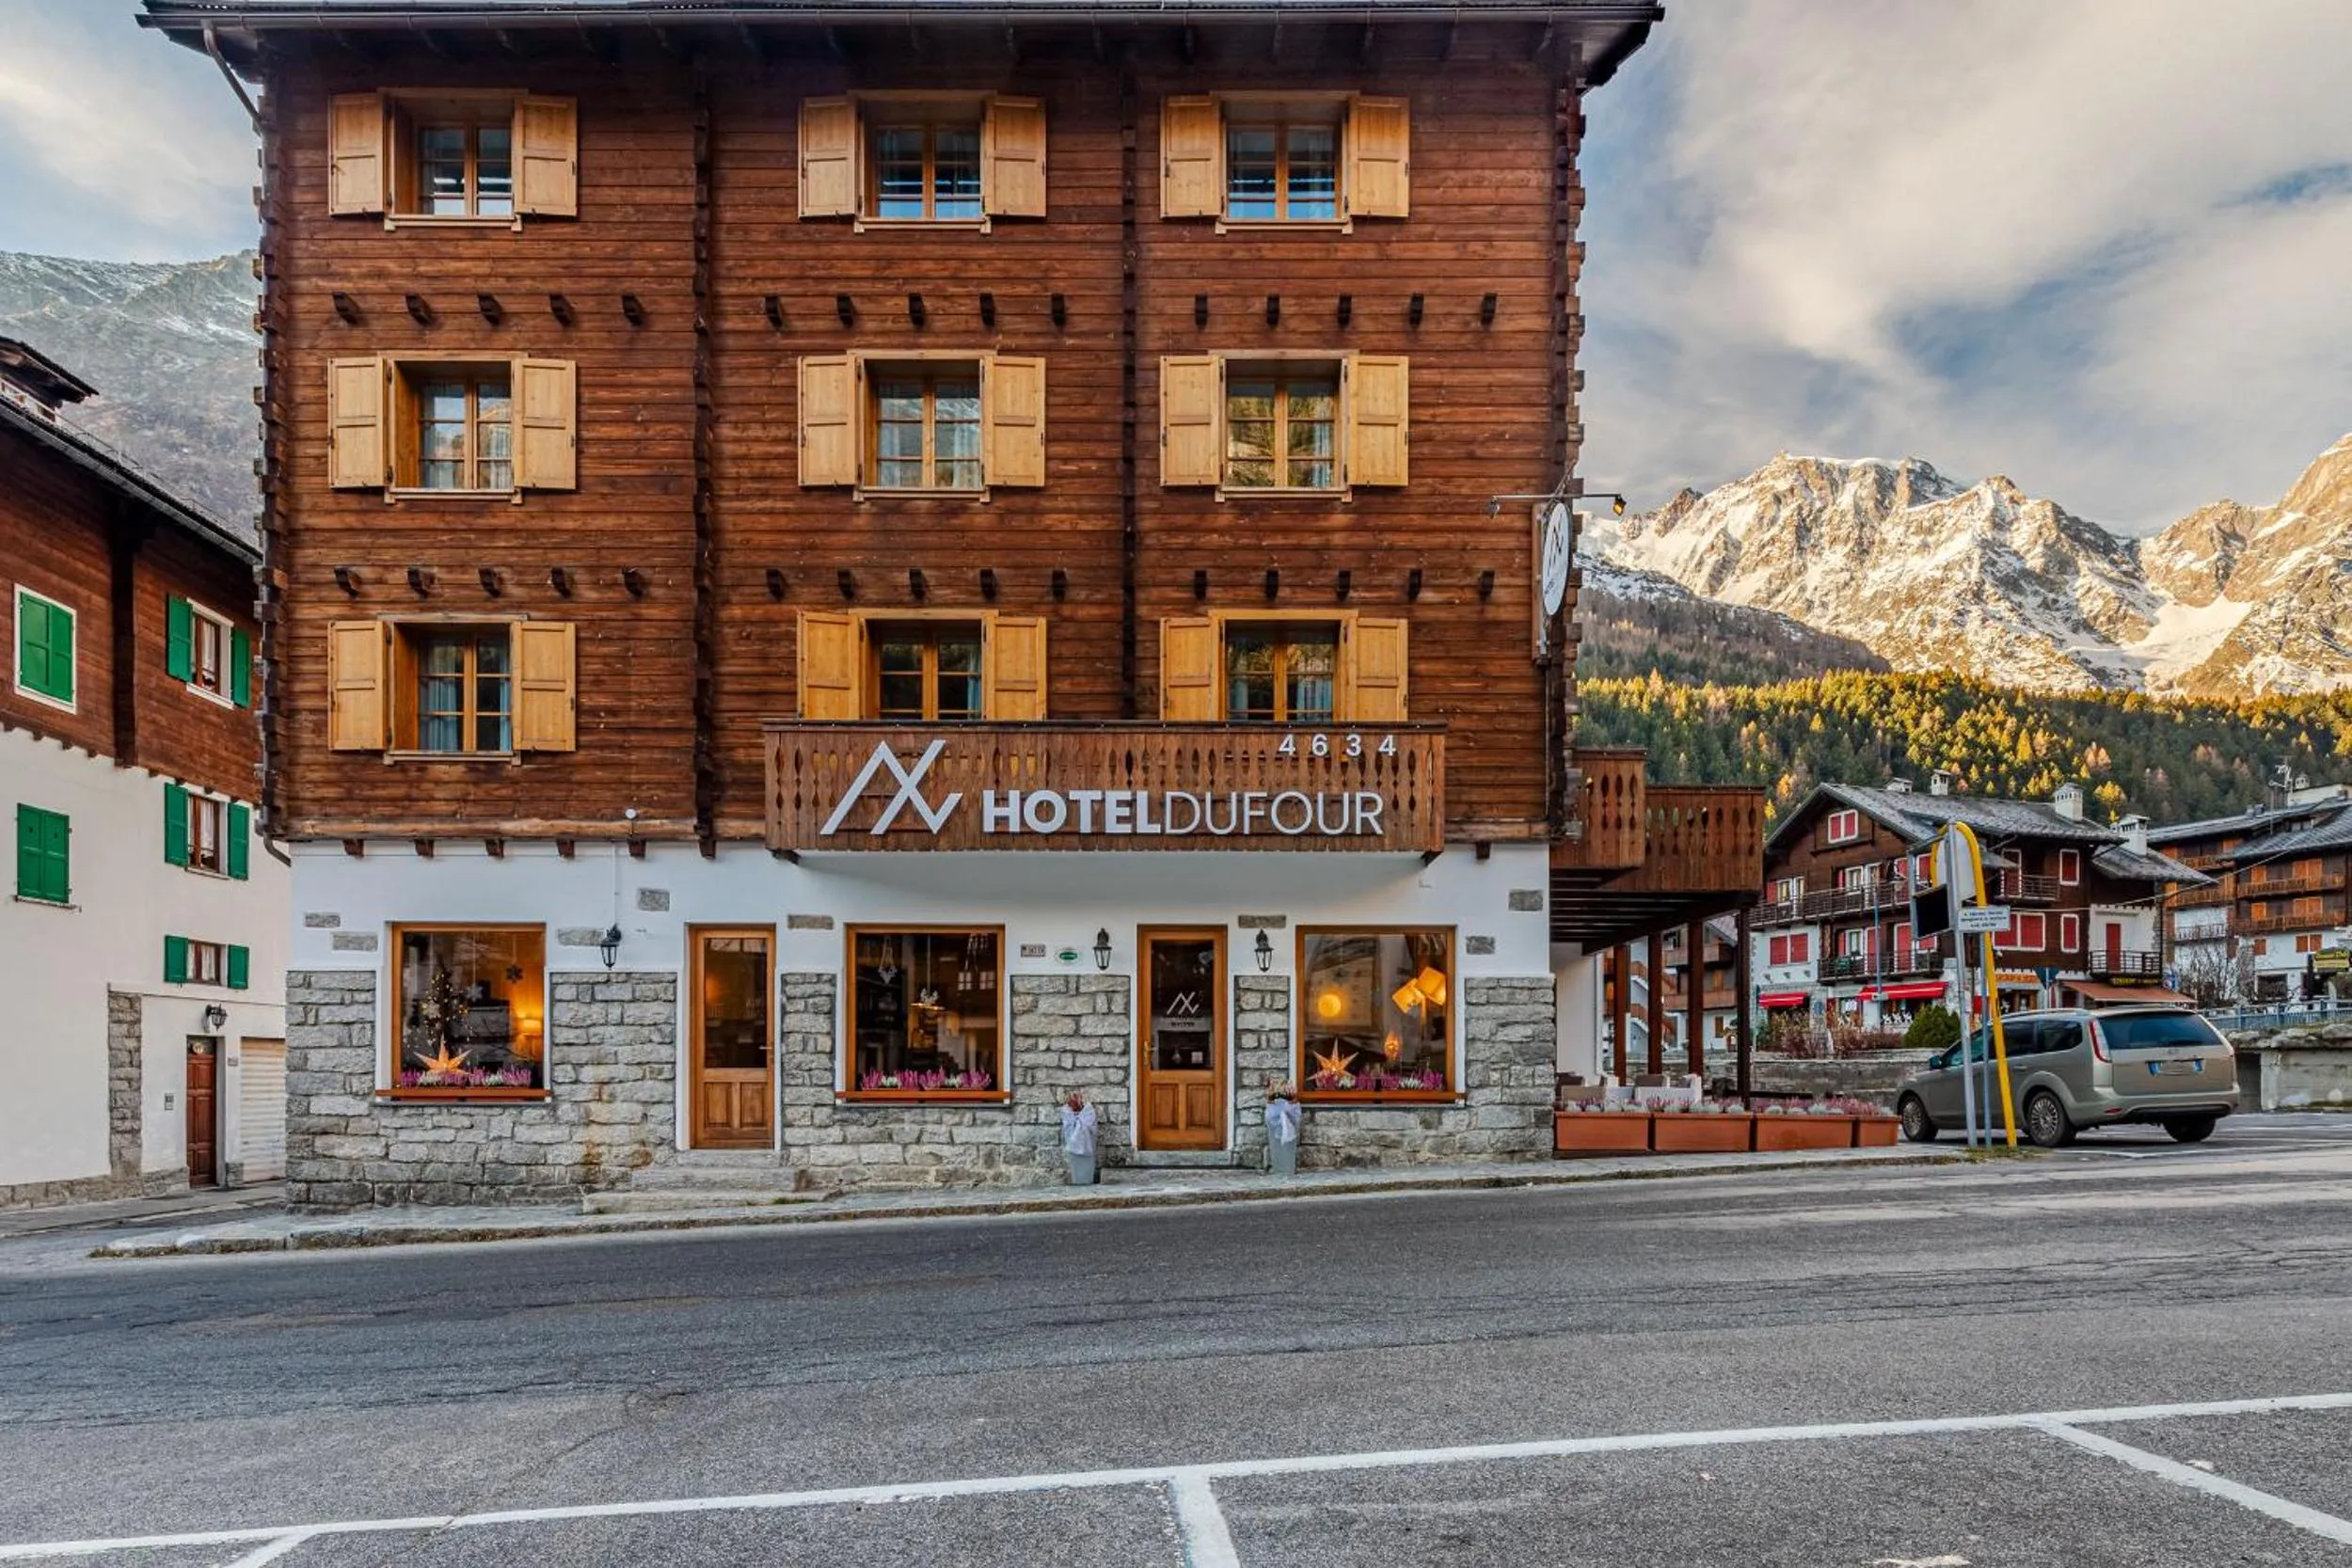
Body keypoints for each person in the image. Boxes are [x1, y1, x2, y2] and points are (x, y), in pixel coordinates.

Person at [1060, 1090, 1100, 1185]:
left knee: (1087, 1164)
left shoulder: (1088, 1113)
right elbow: (1068, 1126)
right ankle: (1077, 1180)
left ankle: (1087, 1179)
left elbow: (1091, 1126)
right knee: (1076, 1165)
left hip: (1088, 1147)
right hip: (1073, 1147)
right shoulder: (1068, 1114)